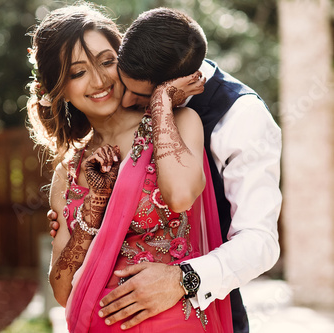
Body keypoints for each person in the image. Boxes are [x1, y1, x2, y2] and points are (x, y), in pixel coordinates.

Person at [49, 7, 282, 333]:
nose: (126, 100)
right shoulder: (74, 166)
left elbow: (260, 242)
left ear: (173, 85)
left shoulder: (241, 117)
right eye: (78, 72)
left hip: (200, 300)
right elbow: (63, 283)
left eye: (142, 94)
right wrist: (87, 214)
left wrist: (182, 278)